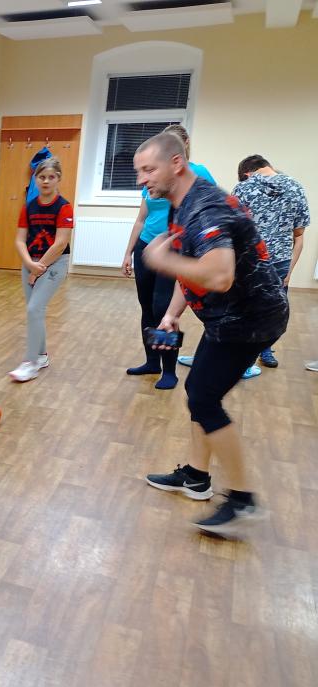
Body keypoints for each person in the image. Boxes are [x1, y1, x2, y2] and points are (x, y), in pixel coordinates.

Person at [135, 133, 288, 536]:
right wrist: (172, 314)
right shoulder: (181, 204)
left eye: (148, 169)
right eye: (139, 171)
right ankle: (197, 476)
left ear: (176, 163)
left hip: (251, 319)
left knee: (203, 397)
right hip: (228, 318)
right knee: (199, 392)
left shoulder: (206, 208)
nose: (141, 180)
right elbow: (191, 265)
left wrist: (161, 261)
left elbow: (219, 275)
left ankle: (242, 500)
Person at [122, 124, 215, 389]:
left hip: (174, 250)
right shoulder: (153, 177)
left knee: (163, 308)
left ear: (183, 146)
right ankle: (152, 361)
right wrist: (128, 252)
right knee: (147, 308)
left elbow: (207, 209)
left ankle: (169, 370)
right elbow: (142, 218)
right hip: (146, 247)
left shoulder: (198, 172)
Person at [231, 154, 310, 368]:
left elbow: (232, 229)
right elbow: (299, 234)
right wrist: (289, 272)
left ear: (247, 173)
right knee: (273, 311)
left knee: (243, 309)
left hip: (250, 261)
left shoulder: (242, 189)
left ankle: (241, 357)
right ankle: (263, 352)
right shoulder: (296, 187)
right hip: (281, 261)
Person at [8, 157, 74, 383]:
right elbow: (19, 239)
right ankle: (42, 355)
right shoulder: (28, 207)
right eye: (42, 177)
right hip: (31, 263)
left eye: (51, 177)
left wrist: (38, 269)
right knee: (34, 311)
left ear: (58, 179)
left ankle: (30, 363)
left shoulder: (64, 207)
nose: (46, 181)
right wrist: (29, 264)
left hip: (54, 264)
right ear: (35, 179)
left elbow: (60, 244)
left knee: (34, 308)